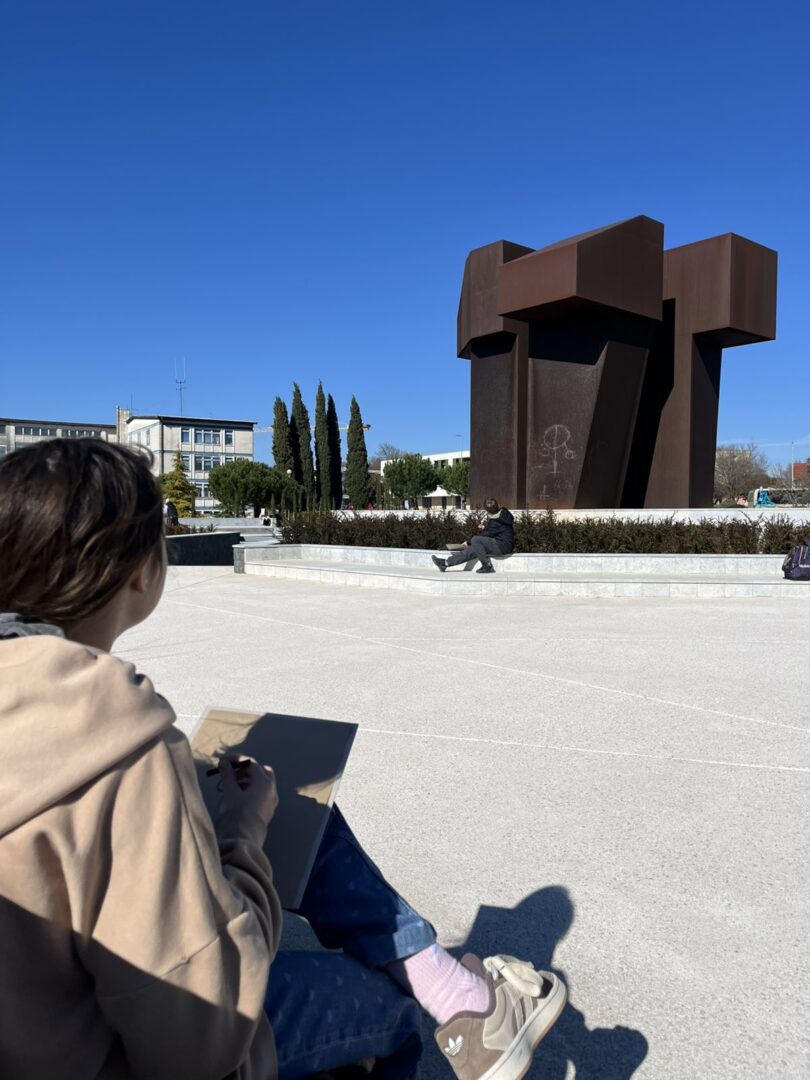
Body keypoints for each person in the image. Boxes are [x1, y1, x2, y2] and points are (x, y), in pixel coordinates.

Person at [0, 440, 564, 1080]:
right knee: (391, 1008)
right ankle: (454, 1003)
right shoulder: (118, 750)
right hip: (110, 1056)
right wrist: (243, 834)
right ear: (140, 573)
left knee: (287, 800)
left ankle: (448, 986)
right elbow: (201, 1039)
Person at [432, 498, 515, 574]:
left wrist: (468, 542)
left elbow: (488, 532)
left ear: (487, 510)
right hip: (502, 543)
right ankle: (445, 563)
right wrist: (486, 528)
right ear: (497, 505)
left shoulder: (495, 521)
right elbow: (497, 529)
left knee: (475, 540)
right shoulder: (504, 513)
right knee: (474, 548)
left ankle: (487, 565)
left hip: (502, 546)